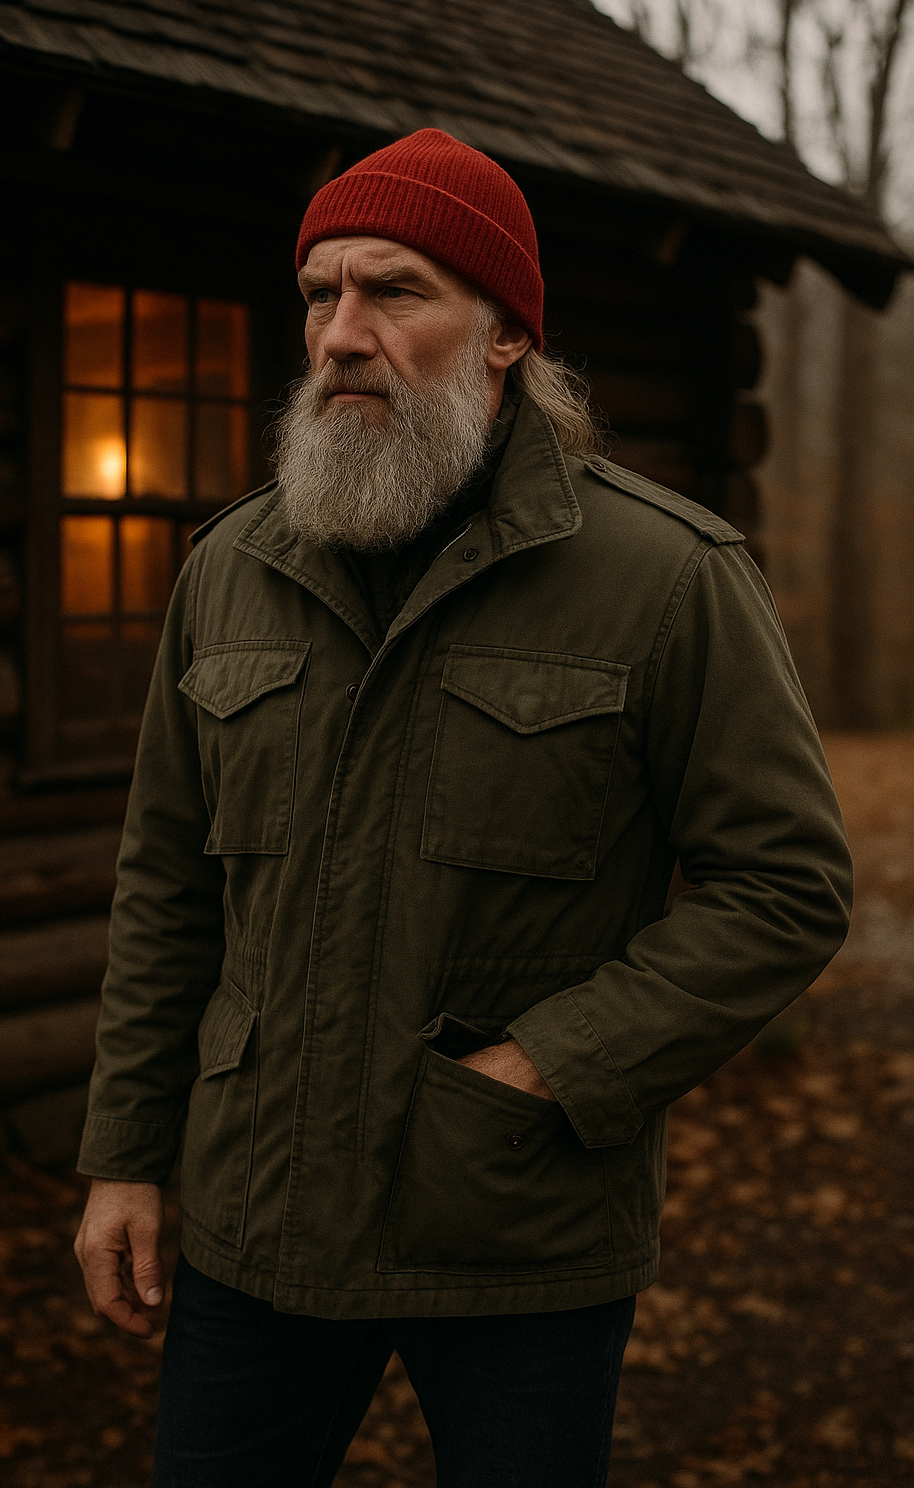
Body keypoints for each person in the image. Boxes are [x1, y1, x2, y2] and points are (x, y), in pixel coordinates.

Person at [74, 129, 852, 1487]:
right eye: (321, 293)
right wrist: (126, 1158)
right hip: (257, 1215)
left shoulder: (668, 576)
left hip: (516, 1231)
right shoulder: (230, 568)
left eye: (395, 291)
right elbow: (166, 885)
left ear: (505, 337)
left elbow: (784, 885)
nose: (341, 334)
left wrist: (553, 1064)